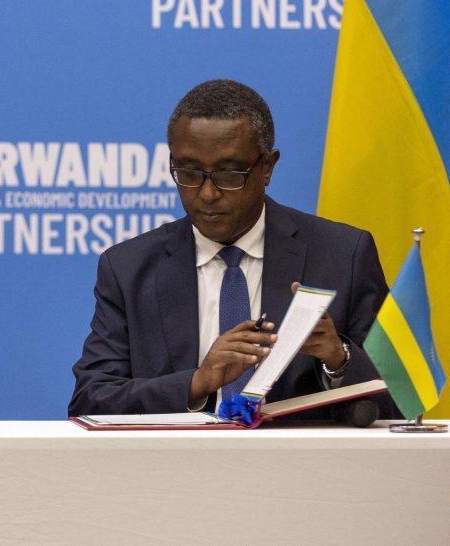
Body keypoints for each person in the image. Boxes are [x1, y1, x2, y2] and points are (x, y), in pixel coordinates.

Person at [69, 79, 393, 417]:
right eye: (189, 172)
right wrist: (197, 383)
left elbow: (400, 402)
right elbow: (91, 399)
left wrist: (337, 358)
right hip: (176, 466)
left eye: (229, 174)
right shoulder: (128, 268)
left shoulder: (343, 255)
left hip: (298, 466)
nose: (207, 194)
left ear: (267, 167)